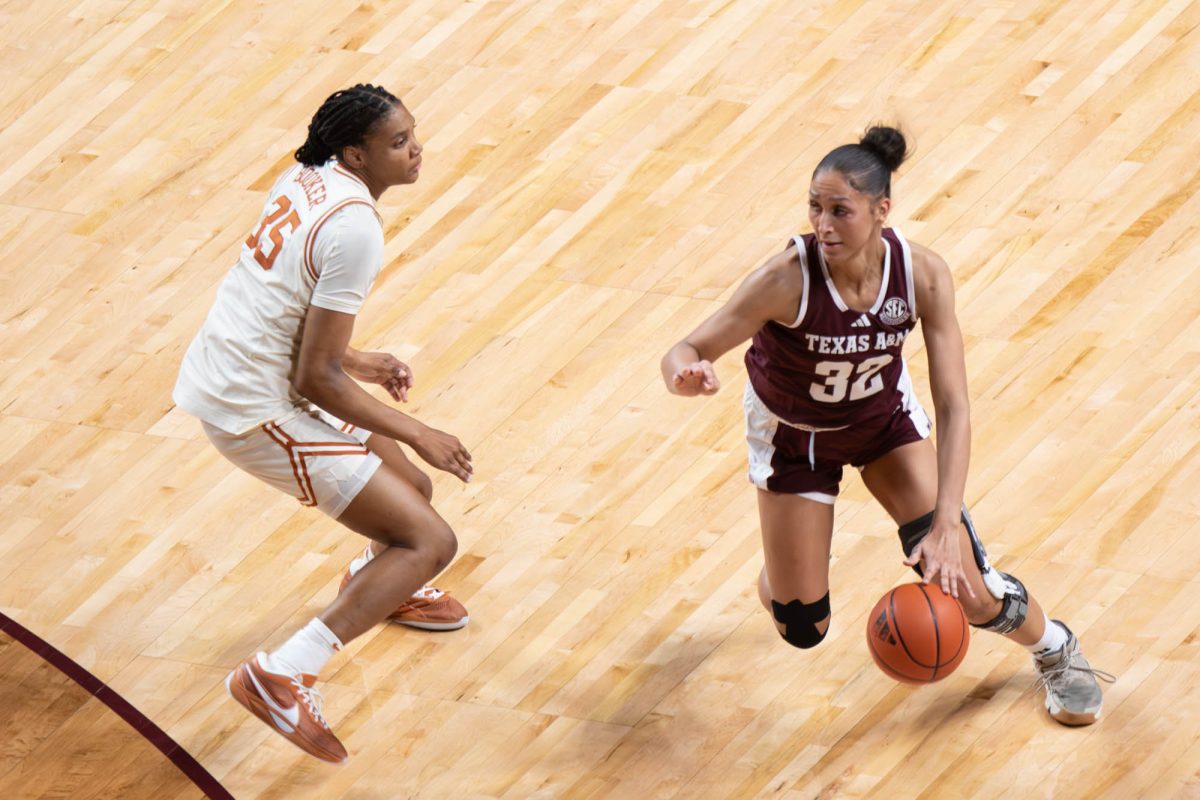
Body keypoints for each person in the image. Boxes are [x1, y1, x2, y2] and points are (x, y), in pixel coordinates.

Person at [660, 126, 1112, 725]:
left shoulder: (922, 274)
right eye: (815, 208)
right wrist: (685, 373)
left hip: (883, 427)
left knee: (969, 590)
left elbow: (954, 405)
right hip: (795, 438)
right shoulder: (785, 279)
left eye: (840, 211)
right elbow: (688, 346)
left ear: (881, 211)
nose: (823, 224)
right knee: (802, 625)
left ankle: (1055, 648)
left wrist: (947, 523)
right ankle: (791, 560)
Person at [173, 84, 476, 763]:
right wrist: (417, 430)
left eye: (412, 133)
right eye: (397, 142)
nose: (416, 149)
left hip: (253, 367)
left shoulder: (308, 175)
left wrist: (359, 360)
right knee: (428, 539)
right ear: (354, 152)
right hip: (253, 407)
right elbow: (316, 379)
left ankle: (378, 586)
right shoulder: (354, 228)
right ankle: (281, 674)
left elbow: (286, 314)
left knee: (410, 497)